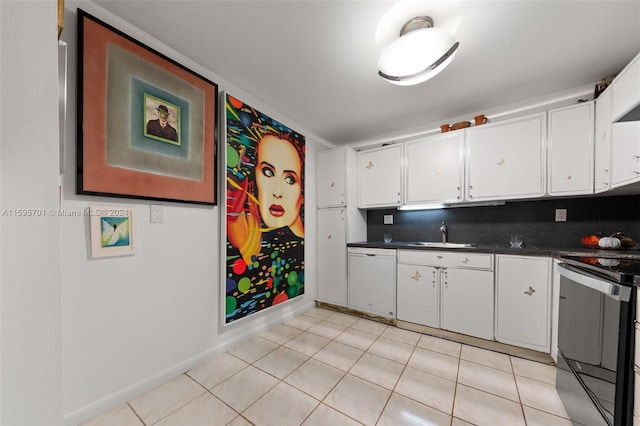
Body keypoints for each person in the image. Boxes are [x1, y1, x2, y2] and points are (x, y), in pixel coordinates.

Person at [225, 130, 305, 322]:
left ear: (301, 194)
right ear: (255, 179)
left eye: (289, 179)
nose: (277, 192)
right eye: (268, 172)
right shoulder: (245, 237)